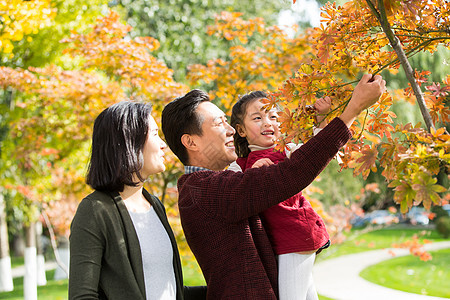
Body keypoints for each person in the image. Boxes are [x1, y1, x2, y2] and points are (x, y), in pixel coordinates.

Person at [161, 74, 386, 299]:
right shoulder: (205, 190)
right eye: (219, 123)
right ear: (191, 142)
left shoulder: (217, 183)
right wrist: (353, 110)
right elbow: (289, 174)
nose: (230, 130)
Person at [69, 101, 206, 300]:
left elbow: (166, 290)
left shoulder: (155, 205)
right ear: (129, 141)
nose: (163, 145)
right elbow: (82, 295)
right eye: (154, 134)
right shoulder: (95, 210)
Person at [228, 91, 332, 300]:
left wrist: (321, 119)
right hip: (278, 242)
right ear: (240, 129)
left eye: (273, 117)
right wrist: (252, 174)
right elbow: (231, 187)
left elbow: (318, 149)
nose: (267, 123)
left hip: (295, 238)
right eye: (257, 118)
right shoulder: (238, 165)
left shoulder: (287, 152)